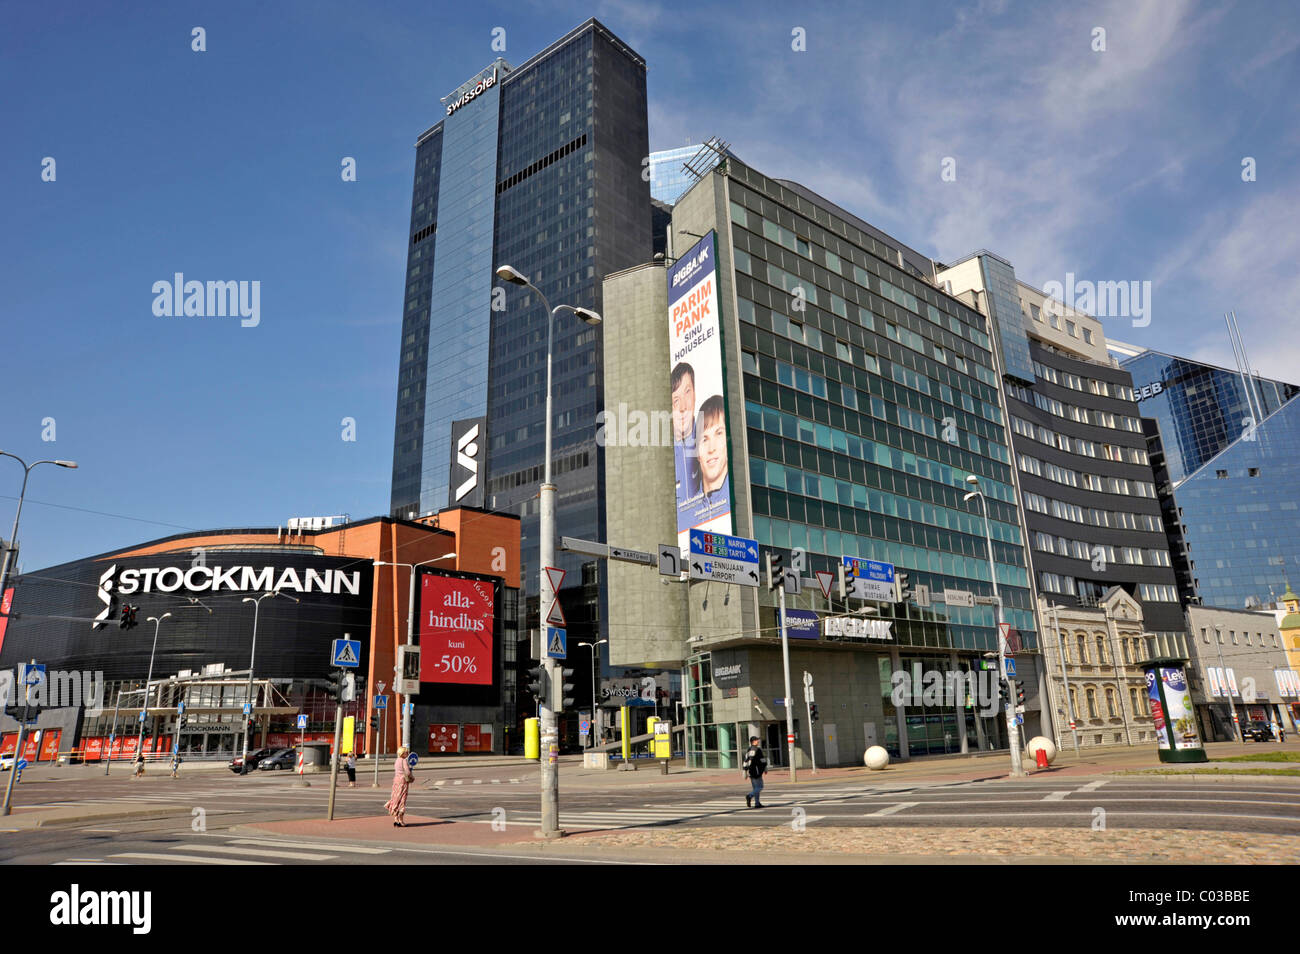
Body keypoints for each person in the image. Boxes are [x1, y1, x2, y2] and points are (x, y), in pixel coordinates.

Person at [671, 362, 701, 509]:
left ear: (695, 393)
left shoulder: (710, 441)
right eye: (676, 400)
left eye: (687, 392)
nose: (683, 407)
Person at [385, 746, 414, 827]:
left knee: (396, 799)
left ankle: (396, 819)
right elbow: (407, 773)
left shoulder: (397, 760)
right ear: (402, 753)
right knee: (402, 800)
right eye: (406, 752)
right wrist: (412, 776)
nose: (407, 754)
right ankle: (401, 821)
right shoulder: (404, 760)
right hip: (403, 782)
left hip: (396, 781)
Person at [742, 736, 766, 808]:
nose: (758, 741)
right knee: (760, 787)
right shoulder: (757, 749)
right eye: (757, 740)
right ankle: (749, 796)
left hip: (750, 771)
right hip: (756, 771)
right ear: (754, 741)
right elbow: (762, 760)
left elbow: (746, 760)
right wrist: (765, 768)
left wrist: (745, 770)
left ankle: (757, 803)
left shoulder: (749, 749)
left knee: (755, 788)